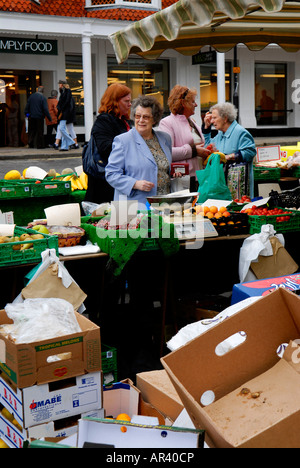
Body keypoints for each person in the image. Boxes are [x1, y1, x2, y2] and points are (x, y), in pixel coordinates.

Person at [105, 95, 175, 210]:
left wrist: (172, 174)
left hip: (164, 204)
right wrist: (134, 183)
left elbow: (161, 168)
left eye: (146, 117)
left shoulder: (165, 138)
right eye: (138, 116)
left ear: (154, 119)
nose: (141, 120)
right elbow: (111, 174)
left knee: (164, 229)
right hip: (133, 207)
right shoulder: (123, 141)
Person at [84, 83, 132, 204]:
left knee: (125, 219)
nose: (130, 104)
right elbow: (105, 148)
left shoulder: (123, 121)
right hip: (104, 183)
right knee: (109, 220)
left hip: (120, 180)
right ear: (115, 101)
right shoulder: (103, 121)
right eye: (126, 101)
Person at [158, 85, 211, 192]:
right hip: (182, 180)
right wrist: (194, 151)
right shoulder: (167, 123)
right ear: (183, 103)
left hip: (199, 178)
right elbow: (165, 152)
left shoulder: (192, 122)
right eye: (192, 102)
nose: (196, 105)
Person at [203, 102, 256, 198]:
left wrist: (228, 156)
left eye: (214, 118)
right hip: (223, 184)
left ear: (225, 118)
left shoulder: (240, 132)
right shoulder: (220, 134)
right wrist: (206, 129)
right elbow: (207, 148)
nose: (212, 121)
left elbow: (250, 152)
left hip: (238, 187)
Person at [56, 80, 76, 152]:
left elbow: (66, 102)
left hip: (65, 113)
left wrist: (60, 108)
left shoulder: (67, 91)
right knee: (63, 128)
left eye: (60, 84)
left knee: (61, 129)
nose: (59, 85)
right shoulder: (63, 91)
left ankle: (72, 142)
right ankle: (64, 146)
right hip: (63, 112)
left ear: (62, 84)